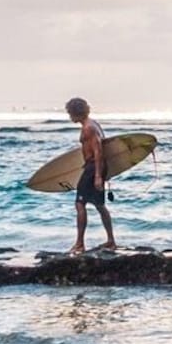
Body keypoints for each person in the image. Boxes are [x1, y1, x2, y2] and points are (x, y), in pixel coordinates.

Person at [65, 98, 117, 254]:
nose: (69, 116)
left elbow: (98, 151)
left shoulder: (88, 128)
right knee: (100, 205)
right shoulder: (93, 124)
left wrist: (97, 176)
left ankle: (80, 244)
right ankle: (111, 241)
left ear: (76, 112)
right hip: (95, 167)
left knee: (80, 204)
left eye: (70, 113)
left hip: (93, 167)